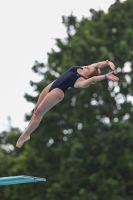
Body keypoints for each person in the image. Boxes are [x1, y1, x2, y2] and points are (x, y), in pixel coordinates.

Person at [16, 60, 119, 148]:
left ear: (89, 76)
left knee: (39, 112)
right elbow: (97, 65)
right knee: (36, 109)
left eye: (89, 69)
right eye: (90, 66)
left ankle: (25, 135)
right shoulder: (83, 68)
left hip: (58, 91)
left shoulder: (82, 81)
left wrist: (105, 76)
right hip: (53, 84)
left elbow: (93, 79)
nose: (88, 66)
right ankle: (27, 132)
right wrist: (107, 62)